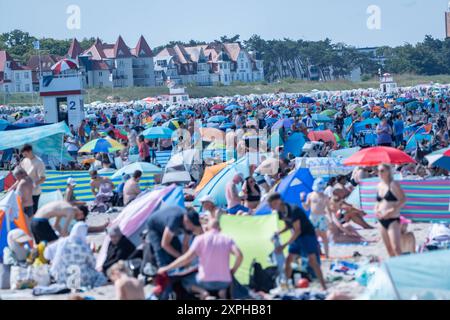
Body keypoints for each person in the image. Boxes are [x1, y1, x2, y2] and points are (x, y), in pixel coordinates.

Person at [158, 219, 243, 300]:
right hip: (224, 282)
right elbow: (239, 255)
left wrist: (167, 268)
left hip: (205, 281)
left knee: (186, 281)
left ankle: (204, 293)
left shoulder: (200, 239)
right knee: (224, 282)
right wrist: (233, 270)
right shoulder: (227, 239)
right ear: (220, 228)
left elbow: (186, 258)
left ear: (206, 228)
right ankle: (222, 294)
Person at [267, 193, 326, 290]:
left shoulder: (294, 210)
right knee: (288, 260)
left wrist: (284, 245)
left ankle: (323, 285)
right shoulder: (280, 212)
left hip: (307, 235)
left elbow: (297, 230)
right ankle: (285, 285)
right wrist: (278, 232)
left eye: (271, 204)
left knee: (312, 261)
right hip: (297, 236)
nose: (270, 206)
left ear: (278, 201)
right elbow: (288, 225)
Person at [44, 222, 107, 288]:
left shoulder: (63, 242)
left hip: (63, 277)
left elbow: (47, 253)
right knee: (100, 276)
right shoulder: (83, 246)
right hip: (81, 278)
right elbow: (93, 263)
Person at [375, 164, 406, 257]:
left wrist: (391, 211)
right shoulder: (379, 185)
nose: (379, 173)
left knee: (396, 248)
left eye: (382, 170)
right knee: (388, 249)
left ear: (388, 171)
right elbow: (378, 201)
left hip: (392, 219)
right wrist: (376, 210)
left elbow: (403, 199)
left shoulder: (393, 184)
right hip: (381, 220)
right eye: (378, 170)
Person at [301, 178, 330, 259]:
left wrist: (330, 219)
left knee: (324, 237)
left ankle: (327, 255)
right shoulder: (310, 195)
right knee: (314, 237)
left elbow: (328, 209)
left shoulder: (325, 196)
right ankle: (316, 253)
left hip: (322, 217)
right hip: (313, 217)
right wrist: (302, 200)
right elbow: (306, 208)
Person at [18, 144, 46, 214]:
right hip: (25, 192)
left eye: (25, 154)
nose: (24, 156)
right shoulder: (24, 160)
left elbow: (43, 178)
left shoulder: (39, 162)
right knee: (23, 213)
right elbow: (21, 174)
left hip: (34, 193)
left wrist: (32, 185)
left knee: (33, 213)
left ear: (30, 151)